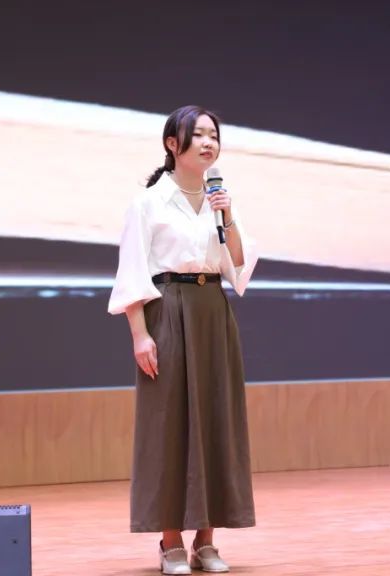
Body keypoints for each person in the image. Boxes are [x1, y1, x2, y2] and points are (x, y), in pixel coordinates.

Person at [108, 105, 258, 575]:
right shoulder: (148, 202)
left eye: (214, 135)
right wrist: (140, 336)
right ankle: (170, 541)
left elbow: (238, 267)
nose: (209, 143)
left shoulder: (219, 200)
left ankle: (206, 540)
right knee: (168, 424)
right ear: (173, 144)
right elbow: (132, 272)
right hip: (168, 309)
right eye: (199, 135)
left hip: (213, 309)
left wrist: (226, 215)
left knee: (216, 420)